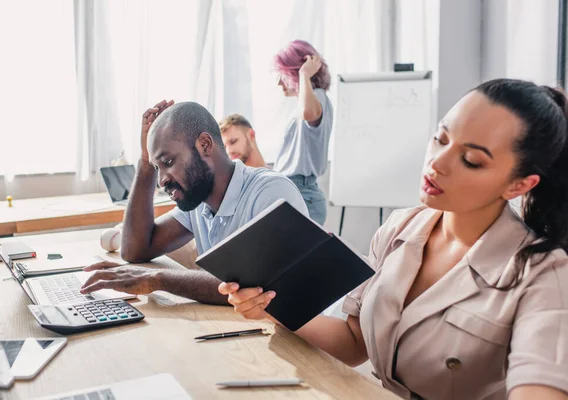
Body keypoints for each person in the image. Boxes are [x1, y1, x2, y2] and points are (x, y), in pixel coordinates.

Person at [219, 79, 568, 400]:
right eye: (441, 138)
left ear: (519, 185)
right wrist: (271, 307)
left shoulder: (544, 274)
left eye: (471, 160)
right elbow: (355, 344)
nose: (438, 163)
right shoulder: (400, 227)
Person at [80, 100, 308, 305]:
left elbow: (258, 287)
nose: (162, 180)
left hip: (298, 344)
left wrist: (156, 279)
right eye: (157, 168)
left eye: (168, 161)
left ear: (205, 145)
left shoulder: (271, 192)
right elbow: (135, 250)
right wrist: (145, 161)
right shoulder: (200, 201)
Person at [272, 40, 333, 225]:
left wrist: (304, 73)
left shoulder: (318, 97)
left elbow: (308, 113)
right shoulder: (303, 105)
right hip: (291, 190)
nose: (279, 82)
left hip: (302, 194)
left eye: (283, 75)